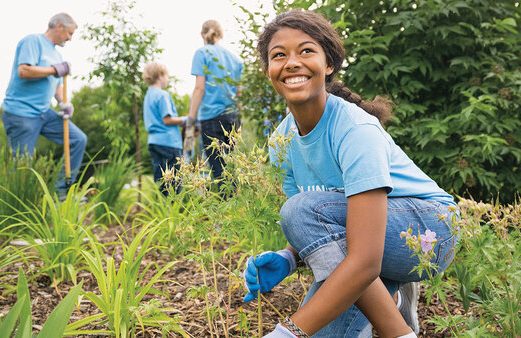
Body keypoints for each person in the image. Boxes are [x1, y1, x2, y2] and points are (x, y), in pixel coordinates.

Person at [242, 10, 459, 338]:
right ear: (269, 71)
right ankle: (391, 299)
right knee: (326, 332)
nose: (291, 62)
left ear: (328, 65)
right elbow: (328, 231)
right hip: (368, 242)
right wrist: (288, 258)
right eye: (278, 55)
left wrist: (289, 332)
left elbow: (359, 255)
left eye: (306, 51)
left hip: (430, 232)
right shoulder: (281, 142)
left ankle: (397, 329)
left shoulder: (354, 128)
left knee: (301, 209)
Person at [1, 13, 87, 201]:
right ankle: (19, 207)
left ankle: (62, 191)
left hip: (43, 113)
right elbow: (24, 70)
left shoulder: (56, 54)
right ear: (59, 26)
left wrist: (64, 102)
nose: (70, 38)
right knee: (22, 165)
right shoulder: (32, 42)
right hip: (21, 113)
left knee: (78, 139)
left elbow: (56, 83)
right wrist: (55, 69)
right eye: (70, 33)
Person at [185, 19, 243, 181]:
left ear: (202, 34)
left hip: (211, 119)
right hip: (233, 118)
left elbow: (199, 88)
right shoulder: (235, 59)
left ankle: (226, 204)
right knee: (232, 169)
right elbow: (239, 93)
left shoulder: (202, 53)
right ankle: (236, 205)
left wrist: (191, 119)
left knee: (219, 172)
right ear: (221, 34)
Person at [142, 62, 187, 196]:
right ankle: (174, 214)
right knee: (174, 184)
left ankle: (163, 213)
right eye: (167, 76)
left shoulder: (148, 95)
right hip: (169, 143)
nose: (167, 79)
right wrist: (185, 119)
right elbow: (167, 120)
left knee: (162, 183)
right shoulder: (162, 95)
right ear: (160, 76)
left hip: (154, 142)